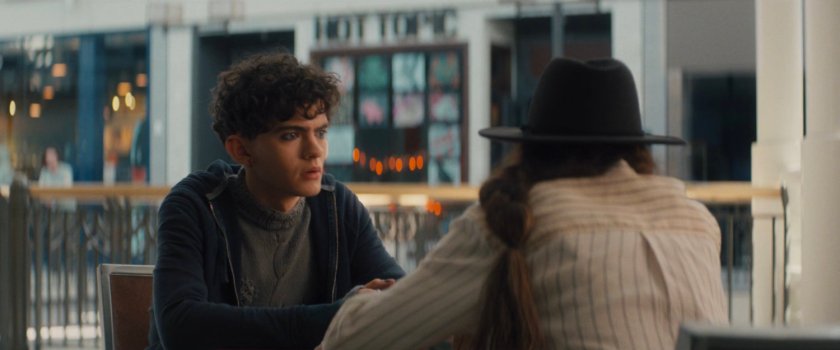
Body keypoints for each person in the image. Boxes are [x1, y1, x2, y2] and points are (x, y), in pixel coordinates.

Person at [319, 57, 728, 350]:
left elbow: (356, 341)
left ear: (529, 151)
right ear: (637, 150)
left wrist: (361, 301)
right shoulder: (698, 221)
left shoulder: (514, 221)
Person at [149, 52, 404, 349]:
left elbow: (398, 298)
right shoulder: (195, 205)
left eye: (320, 132)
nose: (315, 151)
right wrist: (335, 318)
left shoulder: (337, 207)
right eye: (291, 135)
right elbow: (182, 328)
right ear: (241, 150)